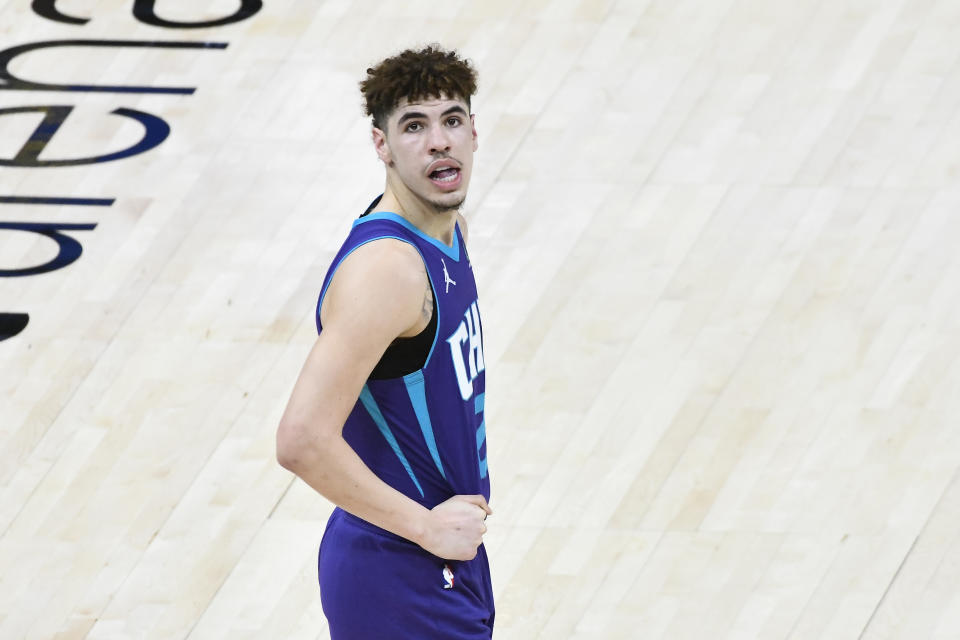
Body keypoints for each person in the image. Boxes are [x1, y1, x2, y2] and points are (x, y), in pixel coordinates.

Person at [276, 45, 494, 639]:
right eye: (414, 127)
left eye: (451, 121)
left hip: (439, 559)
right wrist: (426, 529)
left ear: (473, 133)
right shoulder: (388, 271)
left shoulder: (447, 231)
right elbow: (300, 439)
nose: (439, 142)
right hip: (397, 567)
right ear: (383, 146)